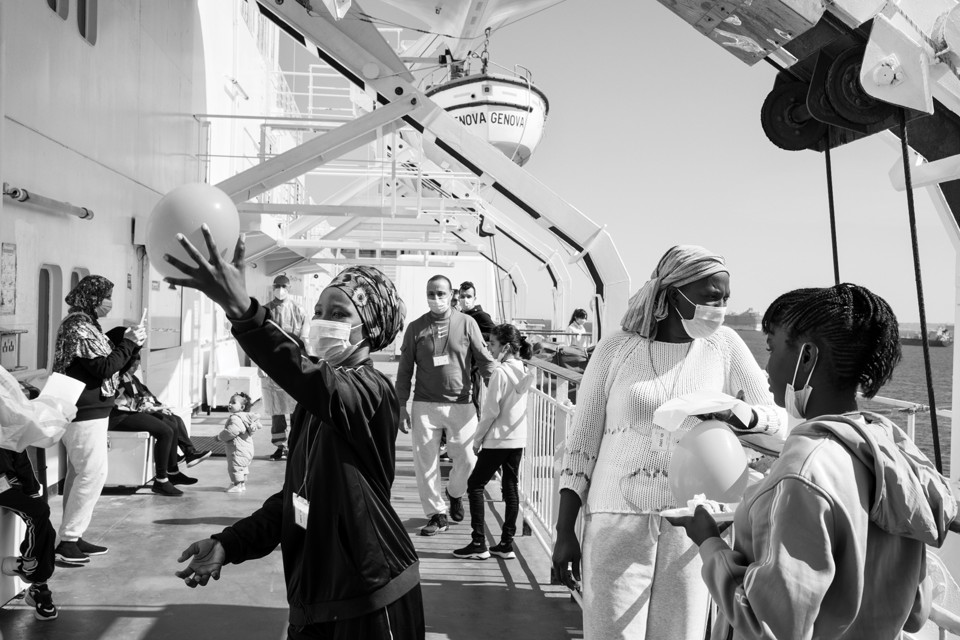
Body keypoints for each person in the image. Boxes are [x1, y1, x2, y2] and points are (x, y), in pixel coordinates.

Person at [170, 227, 423, 639]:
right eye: (321, 310)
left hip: (371, 600)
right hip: (316, 601)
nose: (324, 321)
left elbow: (307, 376)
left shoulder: (369, 393)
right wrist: (228, 544)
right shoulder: (315, 405)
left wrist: (245, 313)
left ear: (370, 330)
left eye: (340, 314)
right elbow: (297, 498)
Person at [667, 283, 957, 640]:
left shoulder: (804, 470)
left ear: (807, 357)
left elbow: (768, 626)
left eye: (772, 349)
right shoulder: (895, 454)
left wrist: (710, 542)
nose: (767, 367)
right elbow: (915, 614)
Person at [551, 245, 785, 640]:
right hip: (615, 521)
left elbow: (777, 420)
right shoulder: (616, 349)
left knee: (683, 634)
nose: (722, 307)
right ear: (674, 294)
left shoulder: (724, 346)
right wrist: (563, 532)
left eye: (725, 298)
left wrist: (736, 413)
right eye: (712, 297)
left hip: (693, 527)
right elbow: (582, 444)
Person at [52, 275, 145, 565]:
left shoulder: (88, 324)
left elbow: (109, 361)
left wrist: (129, 343)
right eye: (106, 297)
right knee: (93, 473)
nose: (109, 303)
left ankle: (71, 537)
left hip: (92, 412)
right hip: (83, 414)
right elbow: (103, 367)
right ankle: (68, 541)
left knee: (81, 473)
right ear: (92, 298)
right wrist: (128, 343)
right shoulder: (78, 326)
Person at [396, 275, 497, 537]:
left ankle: (455, 491)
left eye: (440, 293)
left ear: (450, 294)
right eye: (431, 293)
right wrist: (400, 406)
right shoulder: (416, 328)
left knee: (467, 457)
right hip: (424, 405)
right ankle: (436, 514)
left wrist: (501, 387)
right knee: (425, 462)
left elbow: (484, 359)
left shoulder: (467, 323)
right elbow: (405, 368)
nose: (436, 298)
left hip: (461, 405)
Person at [453, 324, 534, 561]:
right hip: (518, 438)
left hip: (498, 439)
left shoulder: (500, 372)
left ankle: (479, 542)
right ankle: (506, 543)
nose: (490, 347)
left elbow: (490, 411)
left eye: (493, 344)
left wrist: (477, 440)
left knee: (475, 485)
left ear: (506, 347)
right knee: (510, 487)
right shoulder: (524, 369)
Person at [105, 328, 200, 496]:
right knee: (165, 431)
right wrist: (145, 407)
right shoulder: (114, 369)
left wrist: (154, 405)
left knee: (171, 422)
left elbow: (139, 393)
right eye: (134, 356)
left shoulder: (124, 371)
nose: (136, 363)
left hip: (128, 411)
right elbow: (117, 399)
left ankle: (172, 472)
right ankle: (161, 480)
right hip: (116, 416)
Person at [0, 382, 59, 621]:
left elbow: (17, 447)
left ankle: (34, 578)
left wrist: (31, 488)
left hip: (8, 480)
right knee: (39, 512)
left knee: (42, 517)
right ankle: (35, 578)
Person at [261, 273, 309, 461]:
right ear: (273, 287)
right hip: (273, 365)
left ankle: (295, 444)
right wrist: (261, 363)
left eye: (284, 286)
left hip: (294, 363)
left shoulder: (299, 310)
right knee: (277, 408)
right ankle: (280, 446)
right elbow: (259, 339)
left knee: (296, 407)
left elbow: (305, 339)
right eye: (277, 285)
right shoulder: (265, 310)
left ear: (289, 288)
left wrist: (307, 361)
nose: (280, 289)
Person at [459, 281, 496, 419]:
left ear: (475, 298)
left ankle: (473, 428)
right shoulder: (459, 315)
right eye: (462, 296)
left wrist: (475, 336)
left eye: (469, 296)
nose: (465, 300)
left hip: (473, 367)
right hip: (458, 366)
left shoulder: (481, 316)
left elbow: (494, 333)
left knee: (472, 400)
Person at [218, 391, 262, 493]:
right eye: (229, 402)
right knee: (243, 467)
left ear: (242, 407)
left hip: (237, 449)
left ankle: (236, 485)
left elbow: (231, 432)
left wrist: (219, 437)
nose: (229, 404)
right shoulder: (247, 417)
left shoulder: (235, 418)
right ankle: (242, 484)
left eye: (233, 402)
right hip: (247, 449)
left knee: (235, 467)